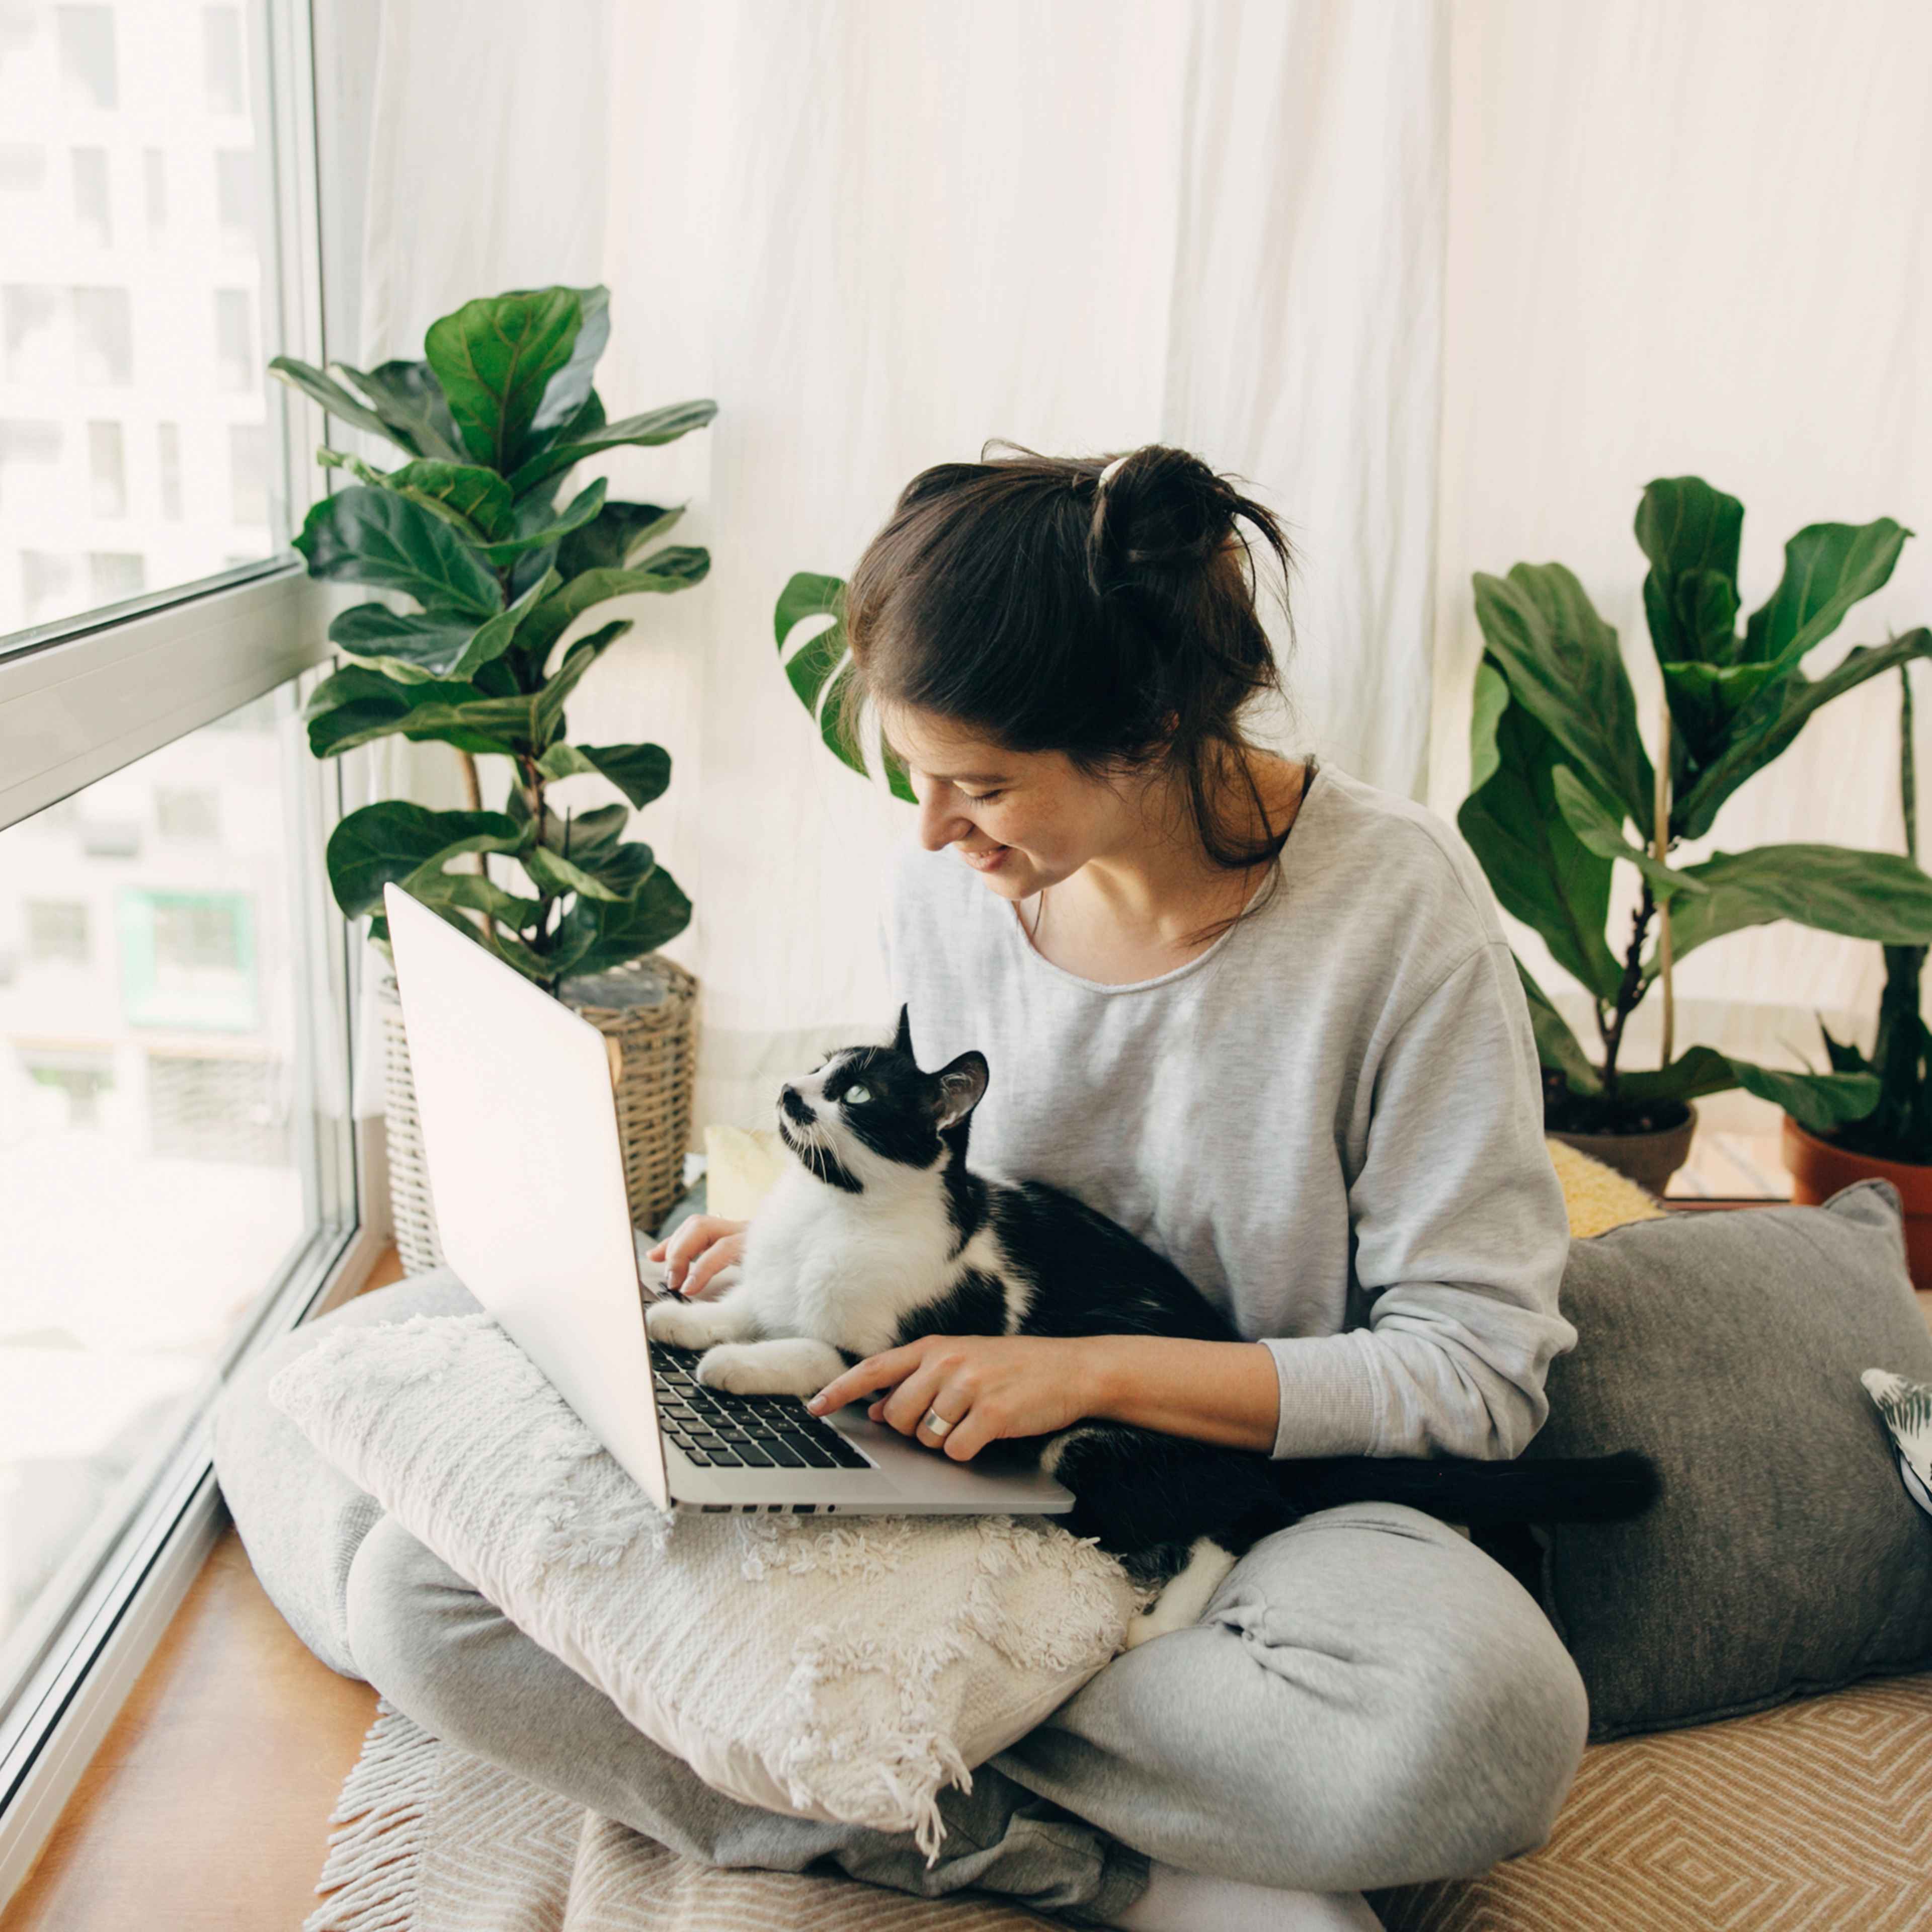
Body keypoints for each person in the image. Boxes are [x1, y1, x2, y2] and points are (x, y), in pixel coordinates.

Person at [345, 445, 1587, 1932]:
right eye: (918, 777)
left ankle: (845, 1746)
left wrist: (1083, 1371)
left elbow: (1479, 1379)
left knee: (1478, 1726)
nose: (936, 830)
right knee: (421, 1605)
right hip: (949, 1461)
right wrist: (816, 1239)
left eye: (983, 785)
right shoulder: (948, 886)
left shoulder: (1397, 915)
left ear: (1156, 726)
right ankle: (1130, 1869)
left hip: (1245, 1506)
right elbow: (948, 1184)